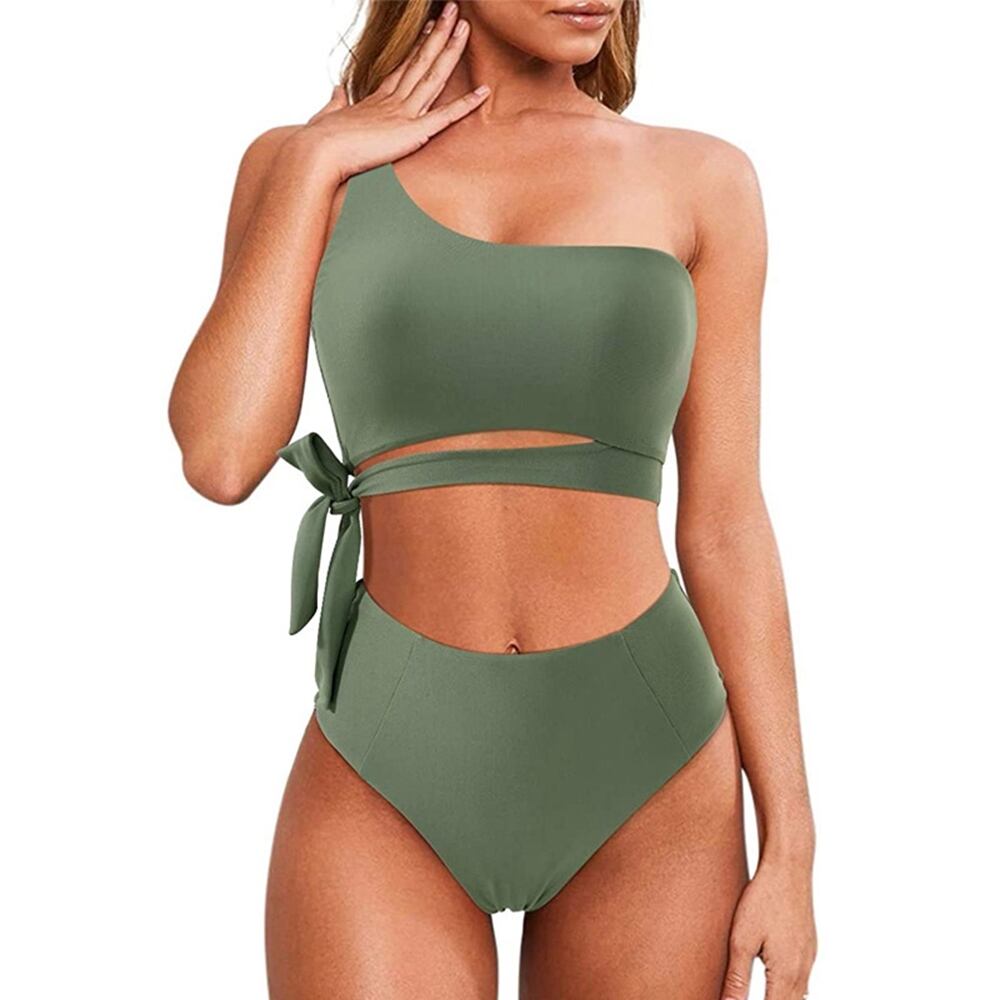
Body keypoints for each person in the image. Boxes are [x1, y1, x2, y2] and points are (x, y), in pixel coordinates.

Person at [169, 2, 816, 997]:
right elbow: (220, 457)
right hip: (386, 748)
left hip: (648, 750)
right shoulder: (304, 165)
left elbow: (725, 523)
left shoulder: (702, 179)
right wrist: (314, 161)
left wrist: (792, 846)